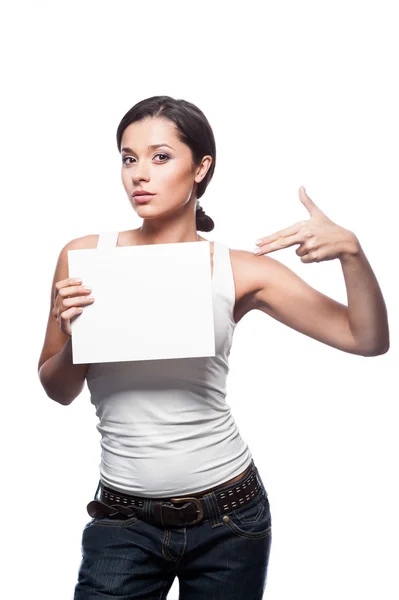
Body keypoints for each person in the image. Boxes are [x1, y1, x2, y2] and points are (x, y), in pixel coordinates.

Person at [37, 95, 389, 599]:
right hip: (123, 519)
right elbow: (57, 389)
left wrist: (352, 254)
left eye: (160, 157)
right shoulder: (85, 257)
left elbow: (367, 339)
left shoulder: (239, 269)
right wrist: (76, 335)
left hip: (230, 515)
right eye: (128, 157)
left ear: (201, 168)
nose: (140, 174)